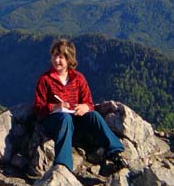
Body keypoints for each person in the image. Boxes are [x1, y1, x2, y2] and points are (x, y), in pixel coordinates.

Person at [32, 38, 129, 176]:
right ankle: (63, 166)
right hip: (54, 124)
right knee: (65, 118)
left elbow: (89, 103)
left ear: (69, 60)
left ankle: (115, 153)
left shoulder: (78, 79)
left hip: (75, 123)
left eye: (61, 57)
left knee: (94, 115)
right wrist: (54, 106)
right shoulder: (45, 79)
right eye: (54, 56)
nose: (56, 60)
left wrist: (85, 107)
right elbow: (37, 107)